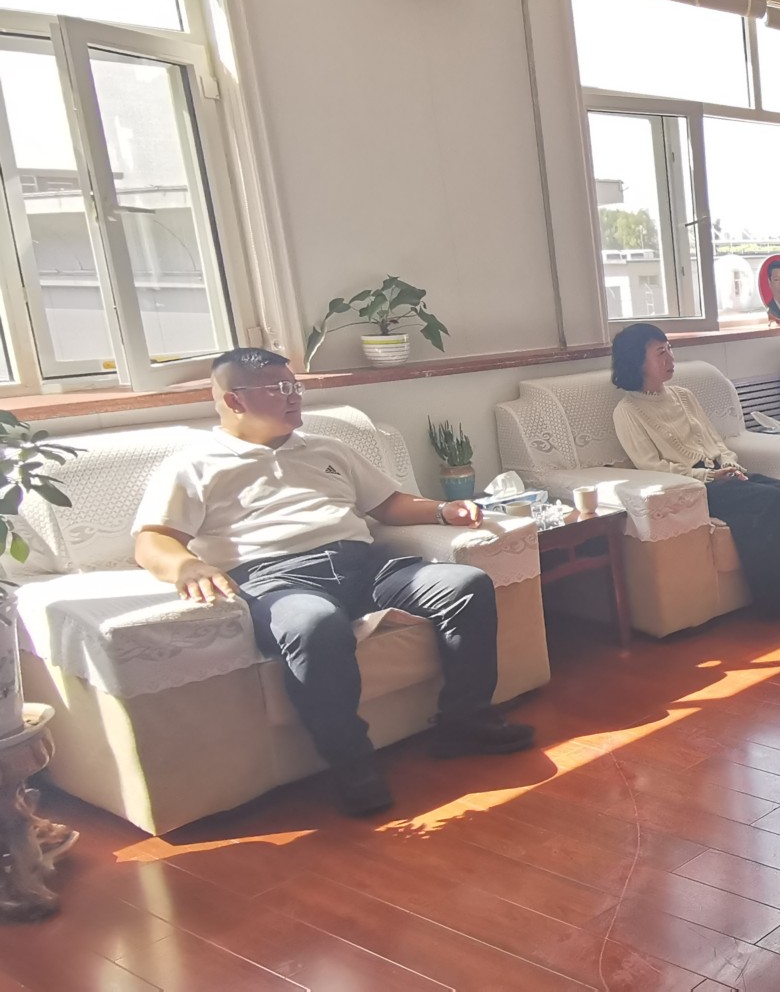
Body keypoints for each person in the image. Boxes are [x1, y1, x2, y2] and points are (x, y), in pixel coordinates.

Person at [131, 348, 535, 817]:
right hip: (277, 581)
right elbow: (152, 540)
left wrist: (443, 511)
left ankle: (466, 720)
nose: (294, 397)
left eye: (295, 387)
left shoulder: (326, 448)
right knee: (315, 623)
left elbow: (387, 504)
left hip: (361, 565)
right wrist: (185, 566)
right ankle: (352, 763)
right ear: (234, 400)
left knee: (464, 585)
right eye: (279, 389)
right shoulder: (194, 466)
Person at [608, 324, 780, 623]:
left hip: (722, 474)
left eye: (670, 348)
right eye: (660, 352)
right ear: (637, 361)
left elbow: (714, 441)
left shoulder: (683, 396)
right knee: (770, 501)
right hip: (694, 486)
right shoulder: (628, 411)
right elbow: (650, 465)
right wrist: (709, 477)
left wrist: (728, 464)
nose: (670, 358)